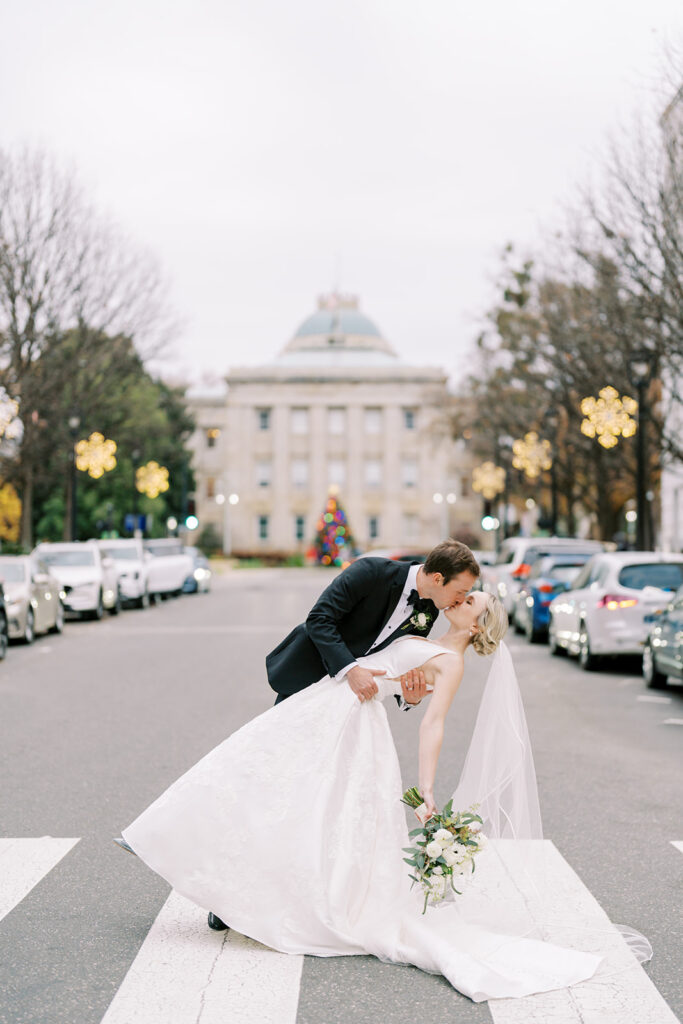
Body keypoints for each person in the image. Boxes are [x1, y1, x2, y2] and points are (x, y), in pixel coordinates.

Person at [115, 588, 603, 1002]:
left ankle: (201, 867)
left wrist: (427, 786)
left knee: (285, 797)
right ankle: (162, 837)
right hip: (327, 705)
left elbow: (433, 723)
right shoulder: (426, 632)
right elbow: (401, 688)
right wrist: (406, 693)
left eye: (471, 600)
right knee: (246, 769)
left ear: (477, 626)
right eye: (464, 590)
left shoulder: (450, 661)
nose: (462, 597)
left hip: (351, 725)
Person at [266, 538, 480, 707]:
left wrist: (410, 699)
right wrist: (351, 669)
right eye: (460, 591)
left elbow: (400, 660)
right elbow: (319, 619)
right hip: (307, 678)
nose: (460, 600)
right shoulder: (371, 571)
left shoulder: (429, 609)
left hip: (351, 703)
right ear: (438, 579)